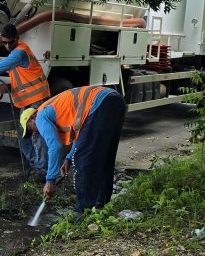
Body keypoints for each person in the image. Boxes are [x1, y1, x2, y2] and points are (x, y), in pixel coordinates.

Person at [21, 85, 126, 213]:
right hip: (114, 99)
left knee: (83, 162)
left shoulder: (41, 116)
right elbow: (80, 135)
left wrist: (50, 180)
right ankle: (101, 207)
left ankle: (83, 211)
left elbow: (55, 146)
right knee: (104, 158)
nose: (34, 133)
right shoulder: (58, 111)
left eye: (31, 129)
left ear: (32, 118)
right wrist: (69, 158)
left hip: (98, 103)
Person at [0, 23, 50, 179]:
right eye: (5, 42)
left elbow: (2, 65)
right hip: (29, 99)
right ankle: (34, 166)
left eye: (11, 41)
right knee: (24, 134)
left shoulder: (20, 53)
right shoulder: (15, 52)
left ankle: (42, 170)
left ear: (17, 38)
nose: (8, 45)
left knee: (35, 134)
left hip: (37, 98)